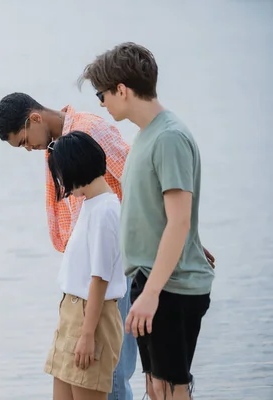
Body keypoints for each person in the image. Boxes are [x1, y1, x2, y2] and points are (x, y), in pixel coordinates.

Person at [79, 42, 216, 400]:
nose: (102, 104)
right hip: (149, 281)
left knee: (172, 390)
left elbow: (179, 220)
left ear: (121, 90)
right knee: (155, 388)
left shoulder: (168, 137)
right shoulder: (145, 137)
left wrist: (152, 293)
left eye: (101, 94)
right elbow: (159, 214)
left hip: (170, 288)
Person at [0, 92, 137, 400]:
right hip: (77, 291)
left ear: (34, 119)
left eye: (23, 141)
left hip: (111, 276)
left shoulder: (88, 132)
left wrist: (182, 239)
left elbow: (138, 182)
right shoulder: (57, 152)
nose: (29, 148)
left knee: (111, 382)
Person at [44, 131, 126, 400]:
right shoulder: (91, 204)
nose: (60, 182)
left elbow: (100, 278)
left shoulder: (105, 210)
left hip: (92, 317)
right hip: (72, 312)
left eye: (60, 174)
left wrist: (88, 334)